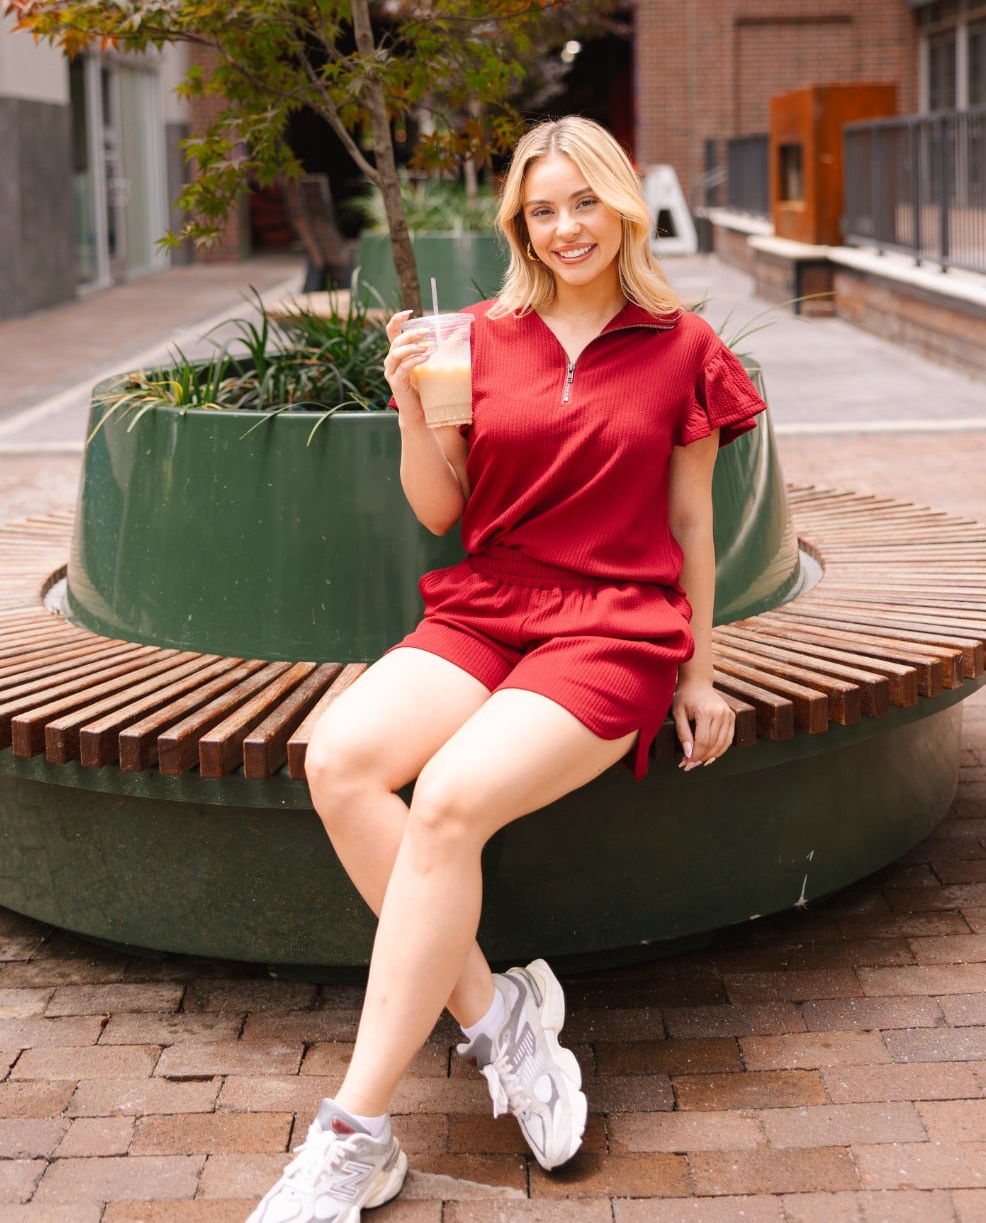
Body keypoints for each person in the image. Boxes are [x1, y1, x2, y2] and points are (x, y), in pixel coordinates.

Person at [247, 116, 766, 1223]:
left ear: (620, 204)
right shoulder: (479, 336)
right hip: (493, 602)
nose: (564, 227)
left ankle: (354, 1132)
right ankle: (498, 1019)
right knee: (337, 759)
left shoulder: (684, 347)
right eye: (541, 209)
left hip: (616, 625)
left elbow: (690, 521)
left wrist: (699, 672)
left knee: (446, 801)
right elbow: (445, 507)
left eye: (583, 201)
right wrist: (404, 402)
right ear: (517, 223)